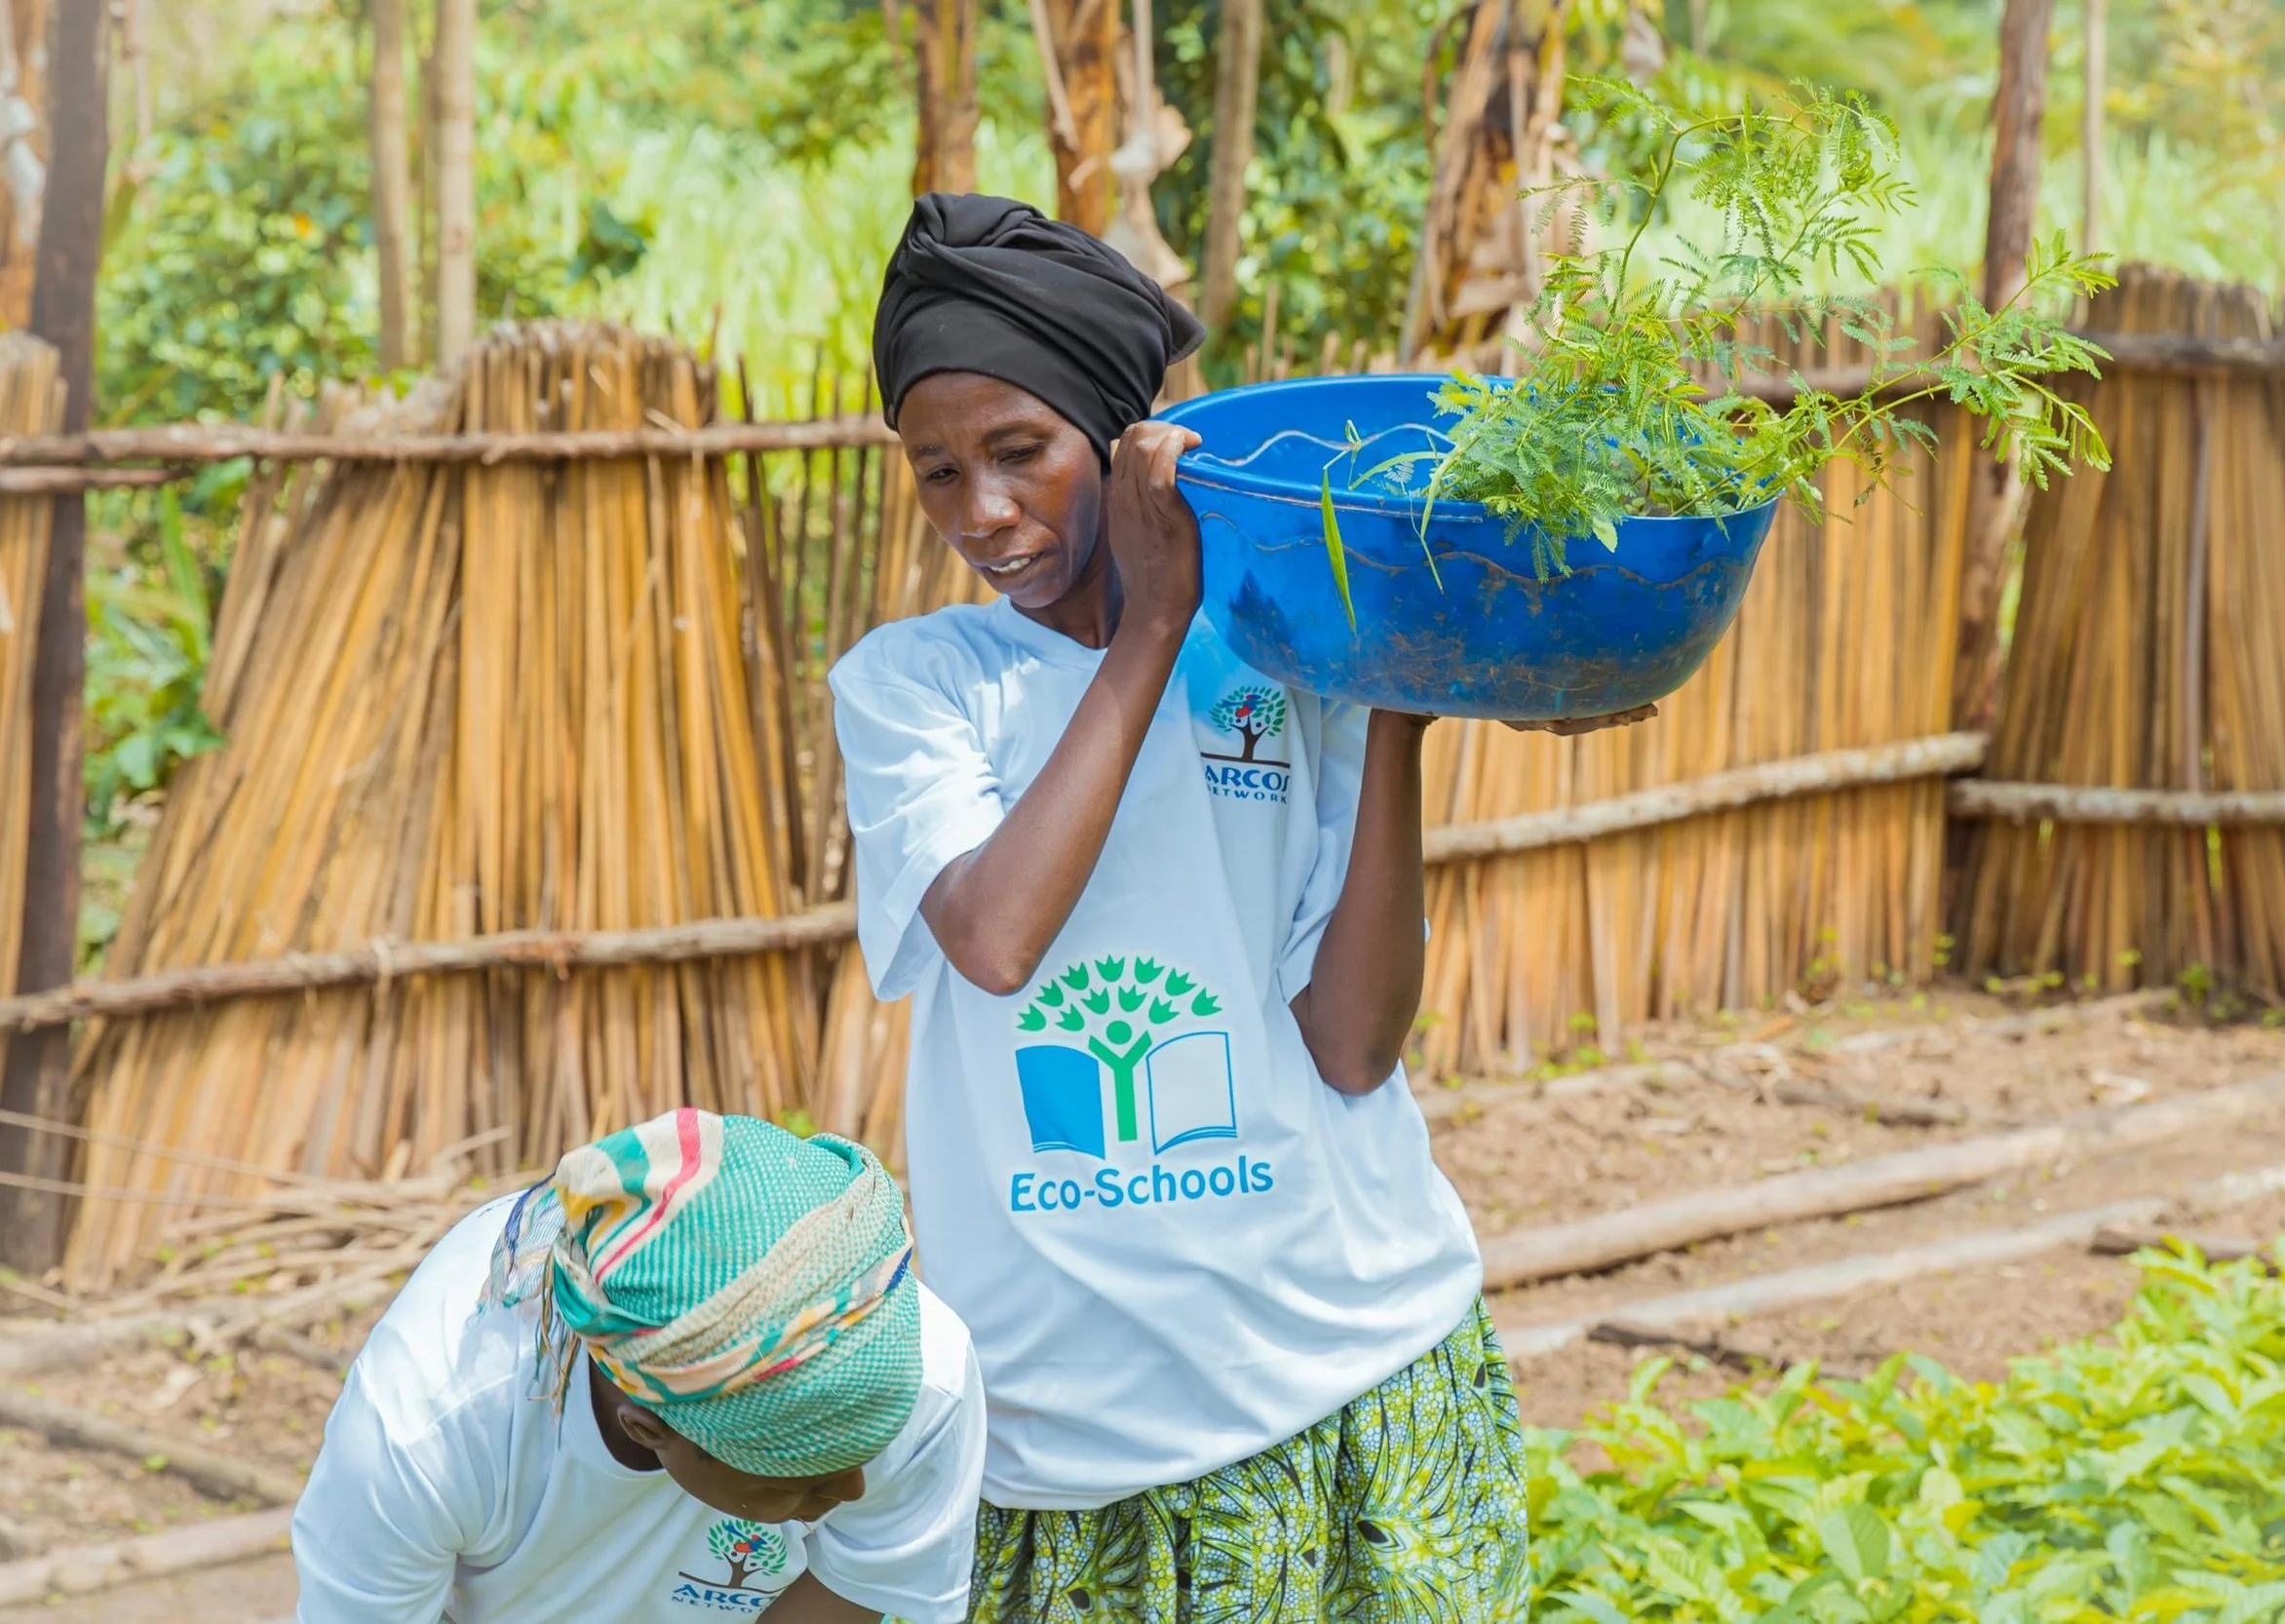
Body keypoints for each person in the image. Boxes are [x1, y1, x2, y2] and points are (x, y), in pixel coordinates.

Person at [831, 193, 1650, 1622]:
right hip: (1068, 1428)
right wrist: (1150, 622)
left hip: (1348, 1361)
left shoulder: (1285, 658)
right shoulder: (919, 685)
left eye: (1019, 452)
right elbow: (994, 936)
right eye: (938, 472)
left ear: (1114, 436)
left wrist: (1396, 713)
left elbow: (1350, 1044)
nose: (984, 512)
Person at [290, 1108, 986, 1623]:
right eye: (807, 1479)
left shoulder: (922, 1377)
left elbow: (858, 1586)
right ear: (647, 1426)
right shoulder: (430, 1428)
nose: (858, 1490)